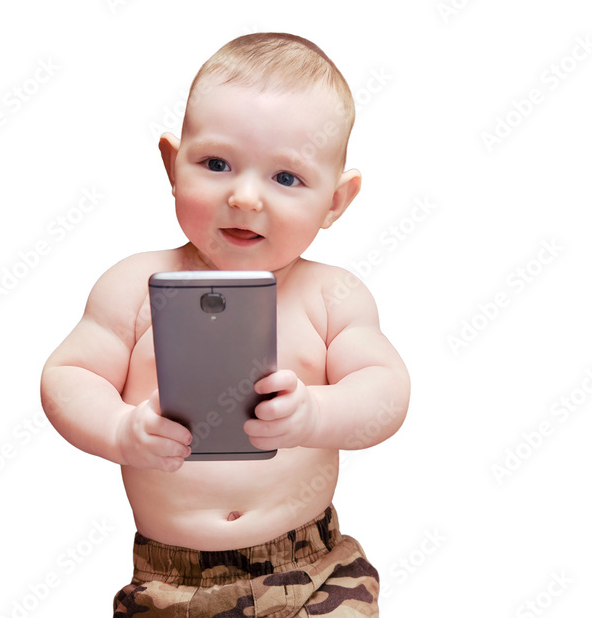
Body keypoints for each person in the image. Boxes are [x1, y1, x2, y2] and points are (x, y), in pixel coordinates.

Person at [41, 32, 410, 616]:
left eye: (285, 178)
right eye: (216, 164)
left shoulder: (332, 295)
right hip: (170, 581)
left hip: (311, 569)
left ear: (335, 202)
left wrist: (316, 413)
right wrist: (119, 430)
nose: (243, 197)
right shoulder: (134, 285)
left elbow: (386, 393)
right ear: (171, 163)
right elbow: (68, 376)